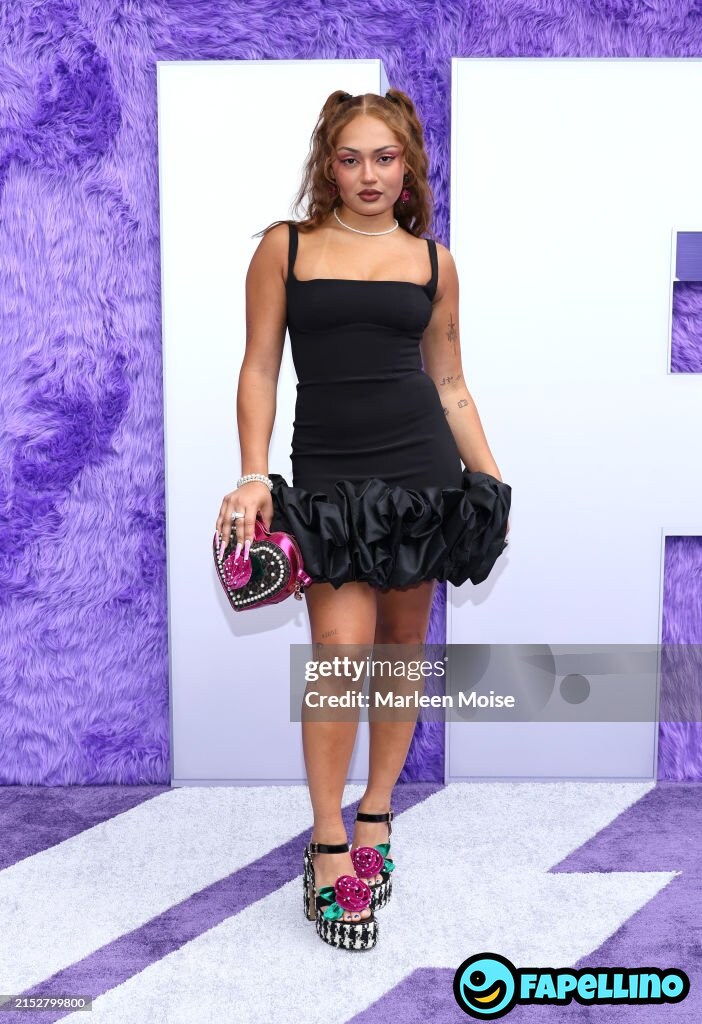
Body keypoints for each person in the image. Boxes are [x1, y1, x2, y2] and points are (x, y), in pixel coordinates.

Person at [215, 88, 511, 951]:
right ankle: (327, 842)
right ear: (329, 165)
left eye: (385, 158)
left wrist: (488, 480)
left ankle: (377, 811)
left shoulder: (434, 263)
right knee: (340, 656)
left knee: (401, 647)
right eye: (351, 158)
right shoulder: (286, 247)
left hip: (421, 474)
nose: (369, 174)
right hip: (329, 479)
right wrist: (253, 476)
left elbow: (449, 382)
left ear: (408, 166)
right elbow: (260, 366)